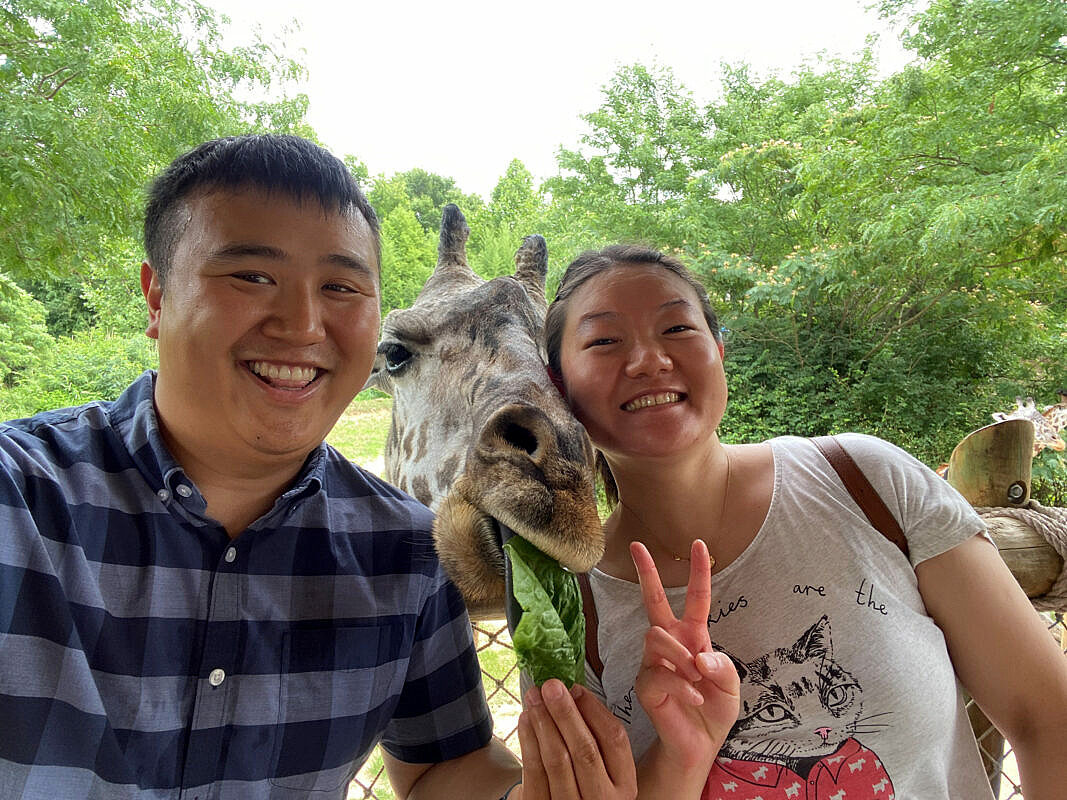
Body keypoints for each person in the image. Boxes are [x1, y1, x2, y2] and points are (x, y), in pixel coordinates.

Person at [0, 133, 616, 800]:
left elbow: (444, 767)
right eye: (252, 276)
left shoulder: (407, 553)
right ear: (155, 295)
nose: (302, 323)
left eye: (341, 286)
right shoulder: (20, 500)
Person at [537, 244, 1067, 799]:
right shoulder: (563, 610)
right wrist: (677, 759)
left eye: (676, 329)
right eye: (603, 341)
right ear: (557, 387)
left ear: (719, 351)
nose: (649, 360)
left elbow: (1047, 716)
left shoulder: (866, 483)